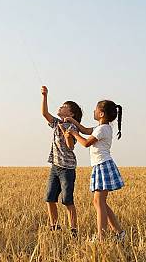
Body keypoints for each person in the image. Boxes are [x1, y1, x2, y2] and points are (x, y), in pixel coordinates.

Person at [66, 100, 126, 242]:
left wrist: (74, 134)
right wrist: (73, 121)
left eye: (95, 109)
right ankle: (119, 233)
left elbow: (86, 143)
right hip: (101, 165)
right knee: (100, 202)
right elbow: (85, 130)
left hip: (102, 165)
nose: (93, 111)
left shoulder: (102, 129)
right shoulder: (102, 127)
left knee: (98, 202)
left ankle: (101, 237)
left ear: (101, 113)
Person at [41, 85, 83, 236]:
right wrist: (44, 96)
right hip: (55, 166)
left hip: (67, 168)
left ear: (71, 113)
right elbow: (45, 114)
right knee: (50, 198)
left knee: (67, 200)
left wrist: (67, 136)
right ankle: (54, 226)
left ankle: (73, 229)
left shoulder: (73, 127)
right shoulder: (56, 123)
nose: (61, 106)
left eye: (65, 106)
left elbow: (71, 147)